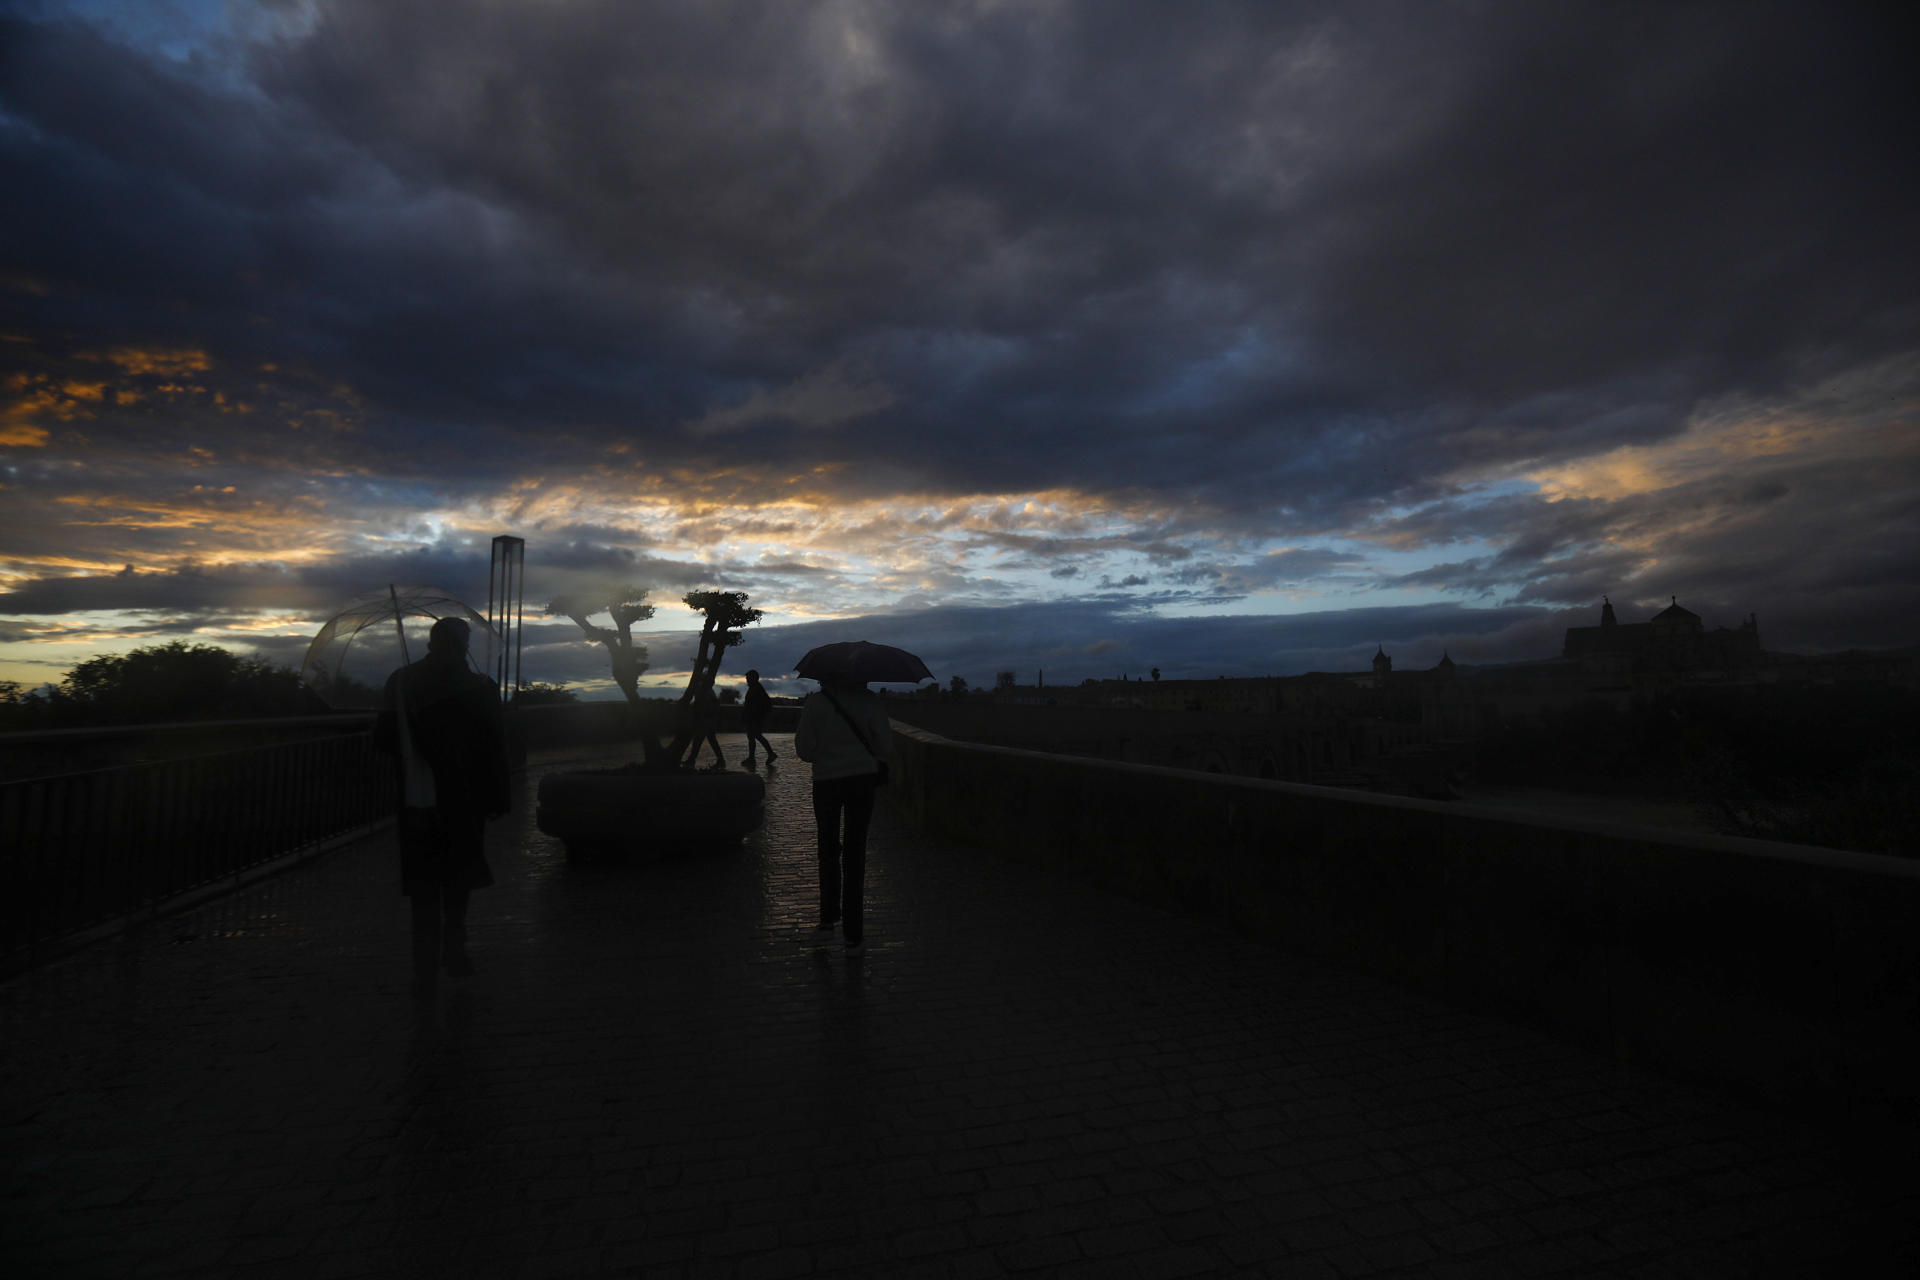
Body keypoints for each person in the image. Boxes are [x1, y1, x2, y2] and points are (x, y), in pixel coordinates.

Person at [374, 617, 510, 997]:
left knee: (423, 882)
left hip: (417, 796)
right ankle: (456, 944)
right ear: (463, 644)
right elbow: (494, 747)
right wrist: (498, 797)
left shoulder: (401, 682)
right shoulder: (480, 687)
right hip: (464, 797)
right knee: (459, 874)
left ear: (432, 642)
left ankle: (424, 967)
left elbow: (384, 741)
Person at [794, 677, 891, 953]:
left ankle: (827, 923)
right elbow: (885, 747)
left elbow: (805, 751)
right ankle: (854, 934)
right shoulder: (870, 702)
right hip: (862, 782)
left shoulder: (815, 703)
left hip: (826, 783)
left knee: (827, 850)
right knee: (855, 852)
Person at [741, 669, 777, 767]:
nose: (746, 680)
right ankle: (755, 757)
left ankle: (765, 755)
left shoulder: (756, 688)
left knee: (755, 736)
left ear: (753, 678)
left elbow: (756, 704)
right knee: (754, 736)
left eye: (748, 678)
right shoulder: (755, 688)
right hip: (753, 717)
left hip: (755, 717)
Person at [688, 679, 726, 771]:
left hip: (706, 720)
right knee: (707, 740)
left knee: (700, 740)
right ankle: (720, 760)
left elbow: (709, 706)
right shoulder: (709, 691)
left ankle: (692, 760)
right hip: (708, 720)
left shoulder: (706, 691)